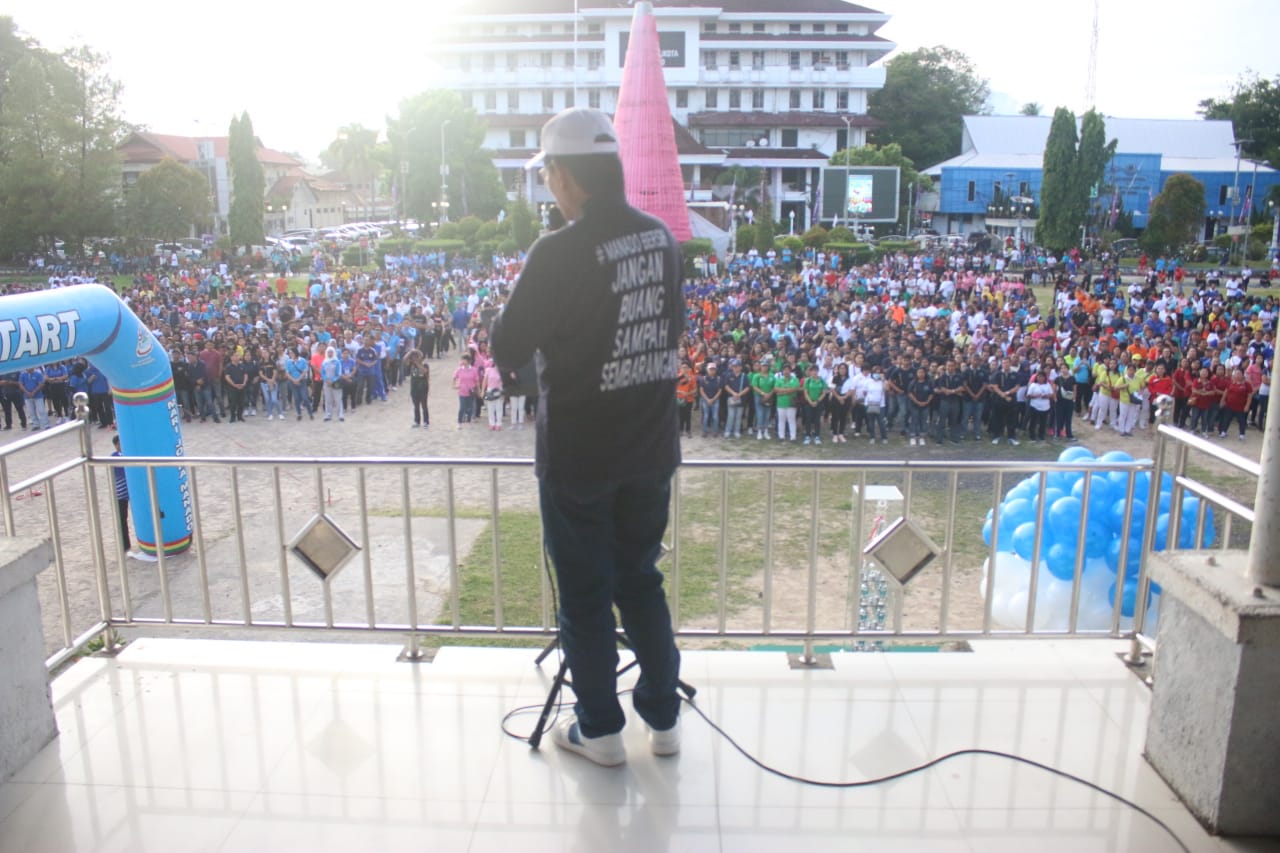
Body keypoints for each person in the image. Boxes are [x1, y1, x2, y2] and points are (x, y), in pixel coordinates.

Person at [490, 107, 684, 767]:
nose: (548, 184)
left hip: (580, 455)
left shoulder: (558, 251)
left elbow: (508, 343)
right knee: (640, 579)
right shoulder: (661, 238)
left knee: (584, 594)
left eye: (547, 173)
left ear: (564, 174)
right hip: (651, 446)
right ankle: (663, 719)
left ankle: (599, 728)